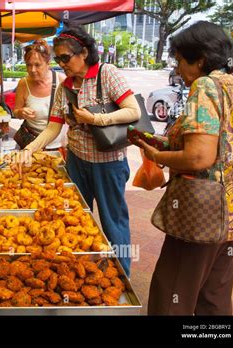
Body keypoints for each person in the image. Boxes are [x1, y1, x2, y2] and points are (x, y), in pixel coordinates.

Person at [137, 21, 233, 315]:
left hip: (202, 212)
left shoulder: (205, 86)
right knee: (214, 292)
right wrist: (165, 143)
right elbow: (223, 144)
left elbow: (199, 157)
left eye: (179, 60)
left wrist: (158, 156)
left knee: (173, 290)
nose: (177, 69)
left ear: (199, 60)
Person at [14, 26, 140, 276]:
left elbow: (133, 110)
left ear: (83, 53)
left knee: (113, 221)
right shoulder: (65, 87)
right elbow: (52, 128)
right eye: (58, 59)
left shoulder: (106, 74)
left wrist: (96, 120)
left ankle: (123, 275)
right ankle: (82, 270)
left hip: (108, 163)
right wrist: (28, 149)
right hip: (76, 162)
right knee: (77, 219)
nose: (61, 64)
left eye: (65, 58)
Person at [13, 39, 67, 150]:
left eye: (37, 65)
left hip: (58, 145)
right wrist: (21, 112)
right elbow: (16, 112)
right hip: (31, 144)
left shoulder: (61, 80)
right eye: (29, 65)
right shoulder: (23, 84)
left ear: (48, 64)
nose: (32, 70)